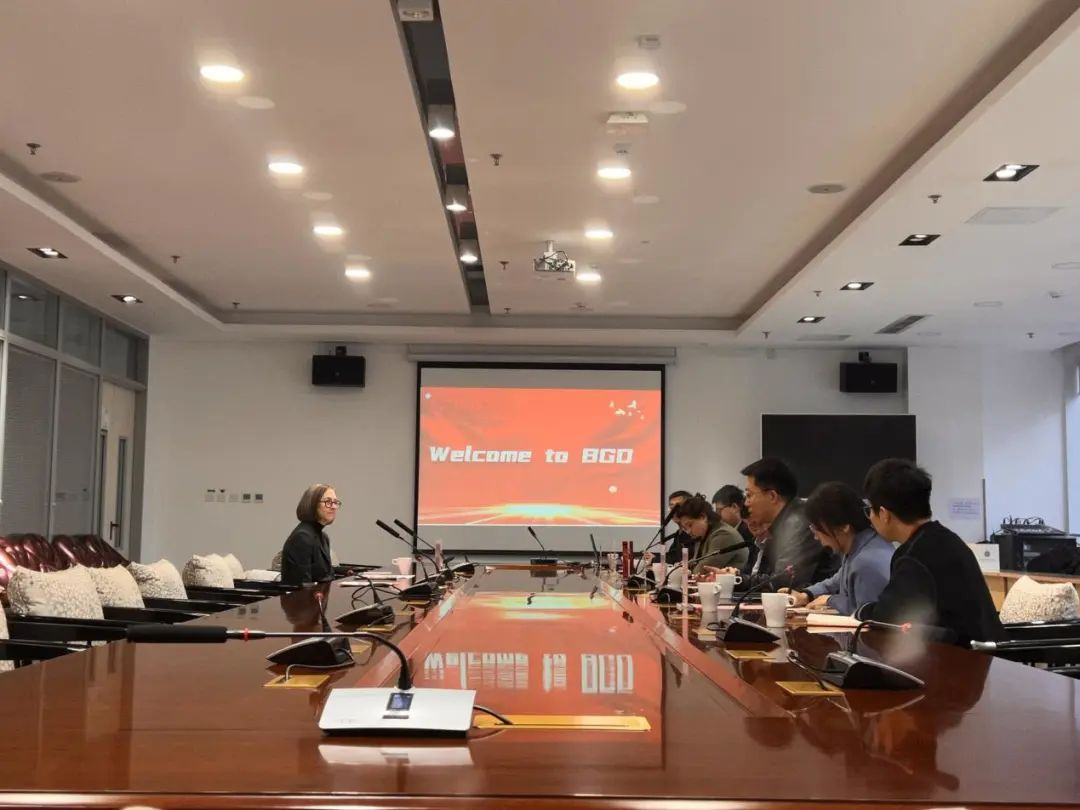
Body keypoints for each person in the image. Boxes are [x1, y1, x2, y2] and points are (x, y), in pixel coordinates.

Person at [859, 458, 1004, 645]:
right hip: (988, 654)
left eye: (870, 510)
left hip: (960, 658)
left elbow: (886, 618)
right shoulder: (948, 540)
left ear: (884, 514)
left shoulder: (914, 556)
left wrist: (862, 611)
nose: (870, 518)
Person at [711, 458, 838, 590]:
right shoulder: (781, 523)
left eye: (749, 495)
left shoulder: (797, 522)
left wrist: (737, 580)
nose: (747, 503)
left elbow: (783, 582)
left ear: (772, 496)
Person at [779, 481, 894, 615]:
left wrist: (830, 600)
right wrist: (807, 594)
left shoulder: (866, 561)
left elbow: (865, 614)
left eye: (817, 528)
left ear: (844, 527)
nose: (816, 536)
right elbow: (838, 579)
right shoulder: (860, 545)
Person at [280, 484, 341, 586]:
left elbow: (326, 576)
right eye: (328, 502)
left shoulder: (323, 537)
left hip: (321, 594)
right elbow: (302, 585)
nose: (334, 507)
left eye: (335, 502)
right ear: (312, 504)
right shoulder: (302, 537)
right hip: (303, 596)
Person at [673, 495, 749, 574]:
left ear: (703, 517)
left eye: (690, 525)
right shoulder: (705, 533)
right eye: (685, 528)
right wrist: (684, 565)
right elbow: (697, 561)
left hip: (735, 581)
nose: (688, 532)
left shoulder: (723, 535)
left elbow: (701, 571)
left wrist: (684, 570)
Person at [712, 484, 758, 571]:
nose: (717, 516)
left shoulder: (750, 532)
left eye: (719, 510)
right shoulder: (722, 532)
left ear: (734, 507)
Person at [664, 489, 695, 565]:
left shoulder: (696, 532)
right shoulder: (679, 533)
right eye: (671, 507)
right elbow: (672, 556)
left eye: (677, 507)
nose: (673, 511)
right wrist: (653, 558)